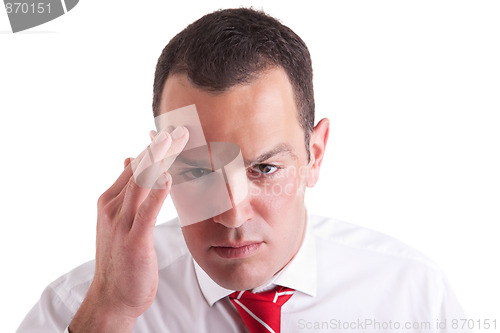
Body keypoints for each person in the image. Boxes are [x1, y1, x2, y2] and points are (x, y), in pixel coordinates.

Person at [17, 8, 468, 333]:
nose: (231, 217)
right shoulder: (78, 310)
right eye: (196, 173)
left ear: (315, 153)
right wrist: (109, 314)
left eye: (265, 168)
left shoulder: (414, 297)